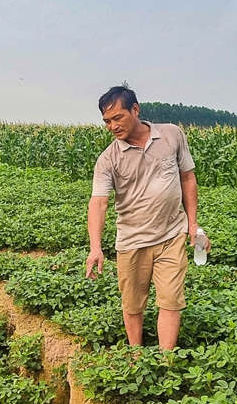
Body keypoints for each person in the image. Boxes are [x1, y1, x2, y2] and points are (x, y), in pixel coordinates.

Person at [85, 84, 206, 350]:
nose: (113, 126)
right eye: (107, 121)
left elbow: (187, 177)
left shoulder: (172, 135)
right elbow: (98, 203)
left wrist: (193, 223)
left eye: (118, 117)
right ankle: (137, 358)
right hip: (131, 240)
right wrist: (96, 247)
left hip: (171, 235)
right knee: (132, 304)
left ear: (135, 109)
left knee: (170, 301)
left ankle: (166, 361)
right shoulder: (108, 159)